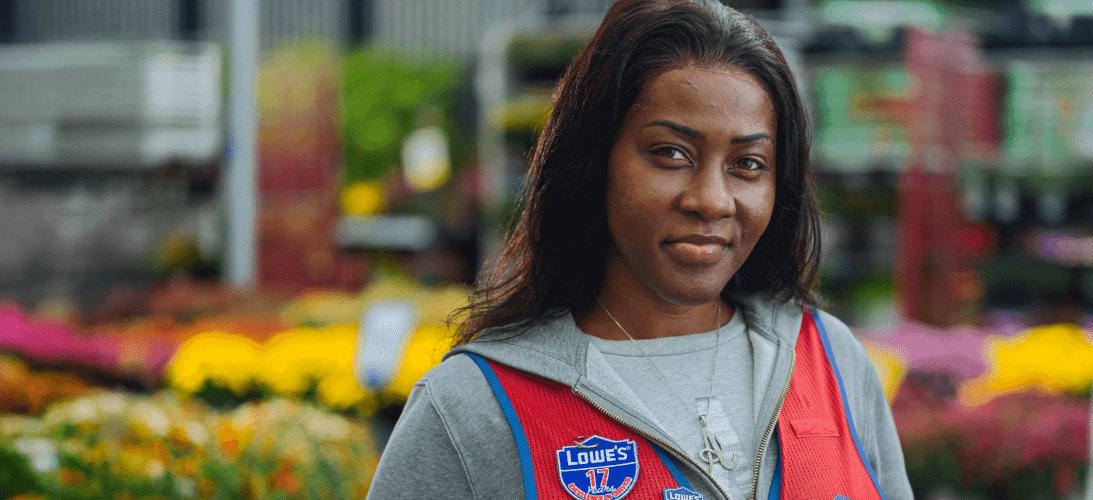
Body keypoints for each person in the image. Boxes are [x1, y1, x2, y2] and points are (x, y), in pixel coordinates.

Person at [366, 0, 911, 498]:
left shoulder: (831, 362)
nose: (712, 201)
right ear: (593, 161)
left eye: (748, 164)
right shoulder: (473, 408)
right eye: (671, 153)